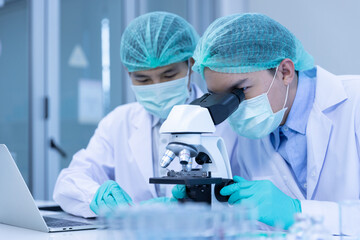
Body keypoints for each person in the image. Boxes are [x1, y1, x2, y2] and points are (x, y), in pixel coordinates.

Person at [181, 13, 360, 232]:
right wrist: (199, 206)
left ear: (285, 72)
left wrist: (298, 212)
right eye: (218, 96)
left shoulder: (355, 104)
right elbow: (243, 219)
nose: (231, 107)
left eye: (240, 91)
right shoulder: (240, 128)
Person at [53, 11, 239, 218]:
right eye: (143, 80)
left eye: (168, 75)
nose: (157, 87)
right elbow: (68, 182)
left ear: (191, 63)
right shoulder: (118, 122)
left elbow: (252, 193)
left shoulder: (229, 119)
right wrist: (97, 196)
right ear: (128, 72)